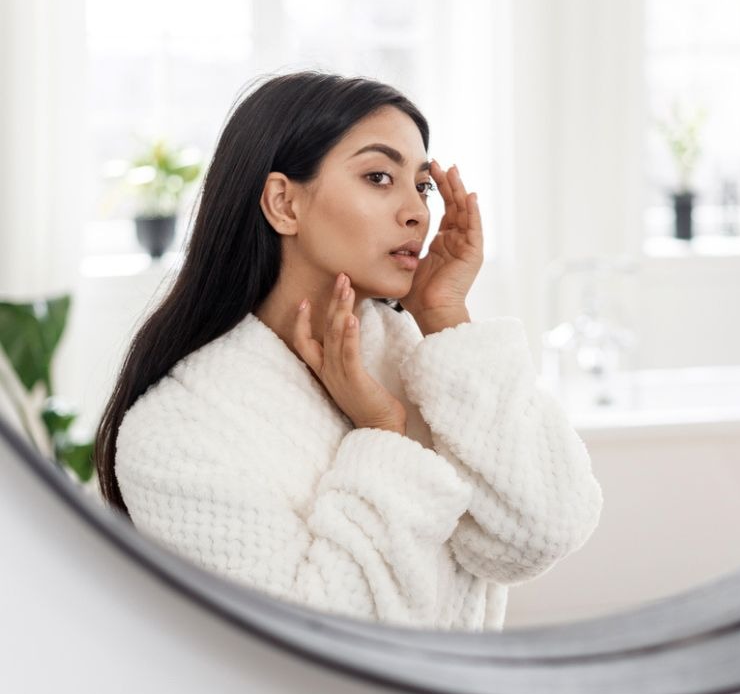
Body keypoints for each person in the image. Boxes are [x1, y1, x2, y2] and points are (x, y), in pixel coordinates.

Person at [91, 70, 603, 632]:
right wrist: (383, 433)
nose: (417, 212)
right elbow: (312, 647)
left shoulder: (419, 362)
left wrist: (445, 315)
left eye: (423, 185)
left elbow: (543, 532)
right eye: (379, 177)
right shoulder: (178, 430)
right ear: (284, 203)